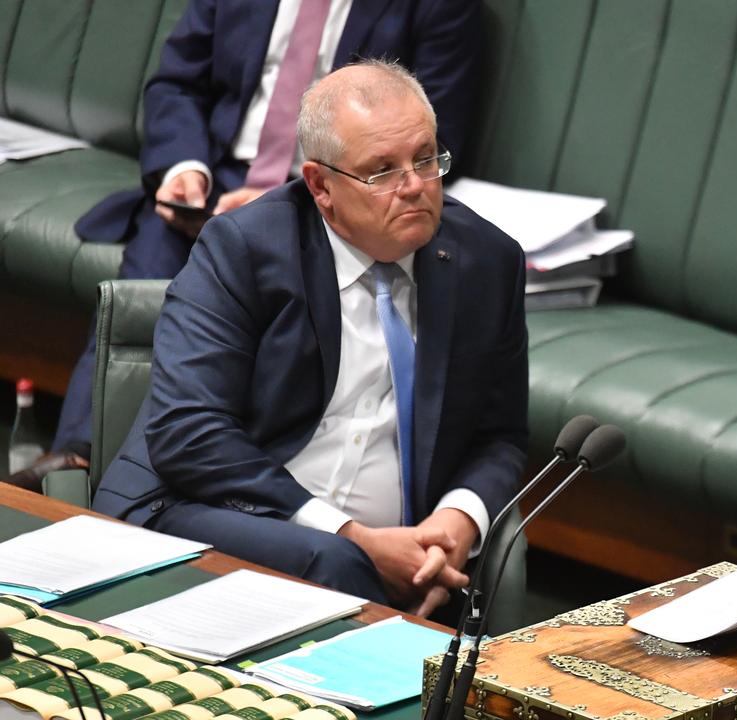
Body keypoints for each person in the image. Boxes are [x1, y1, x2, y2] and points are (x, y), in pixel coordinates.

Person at [92, 60, 527, 618]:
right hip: (199, 508)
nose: (415, 186)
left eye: (425, 159)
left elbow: (502, 435)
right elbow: (188, 433)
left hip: (399, 552)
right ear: (321, 186)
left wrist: (455, 521)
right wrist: (352, 536)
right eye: (383, 171)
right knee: (337, 564)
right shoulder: (245, 248)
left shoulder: (487, 262)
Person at [25, 0, 481, 484]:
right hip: (214, 179)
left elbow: (431, 135)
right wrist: (184, 167)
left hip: (332, 193)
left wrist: (280, 204)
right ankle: (81, 458)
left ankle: (169, 477)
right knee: (150, 270)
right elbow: (177, 83)